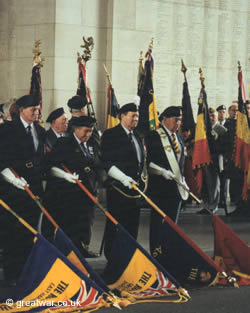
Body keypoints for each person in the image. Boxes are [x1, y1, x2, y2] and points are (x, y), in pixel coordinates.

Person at [0, 94, 46, 284]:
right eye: (32, 110)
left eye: (37, 109)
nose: (36, 113)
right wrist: (11, 178)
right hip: (13, 190)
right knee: (13, 232)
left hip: (33, 189)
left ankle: (27, 270)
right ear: (21, 110)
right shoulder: (7, 130)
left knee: (30, 231)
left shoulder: (40, 130)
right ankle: (12, 274)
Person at [45, 116, 100, 258]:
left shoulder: (92, 143)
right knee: (71, 224)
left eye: (91, 131)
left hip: (88, 191)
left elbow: (95, 165)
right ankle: (68, 253)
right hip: (69, 194)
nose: (88, 135)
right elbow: (50, 166)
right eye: (86, 131)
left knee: (86, 222)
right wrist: (64, 175)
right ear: (76, 129)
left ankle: (83, 248)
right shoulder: (64, 143)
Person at [100, 102, 147, 263]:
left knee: (132, 225)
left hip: (135, 190)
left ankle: (128, 257)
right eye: (132, 115)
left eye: (137, 116)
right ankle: (113, 259)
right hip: (119, 189)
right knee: (116, 225)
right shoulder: (111, 135)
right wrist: (123, 178)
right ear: (122, 116)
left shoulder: (137, 135)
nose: (136, 119)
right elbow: (106, 162)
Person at [145, 106, 189, 253]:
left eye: (180, 120)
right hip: (160, 189)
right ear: (165, 119)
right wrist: (161, 171)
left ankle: (169, 252)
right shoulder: (153, 136)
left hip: (176, 188)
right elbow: (148, 162)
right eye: (176, 120)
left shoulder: (180, 138)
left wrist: (183, 180)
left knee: (172, 225)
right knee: (158, 224)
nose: (178, 123)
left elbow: (181, 163)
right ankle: (157, 252)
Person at [216, 105, 228, 211]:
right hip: (216, 155)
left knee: (224, 179)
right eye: (220, 112)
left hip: (225, 156)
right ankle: (218, 200)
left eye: (223, 112)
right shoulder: (214, 125)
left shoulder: (229, 124)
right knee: (217, 179)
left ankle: (223, 200)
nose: (221, 114)